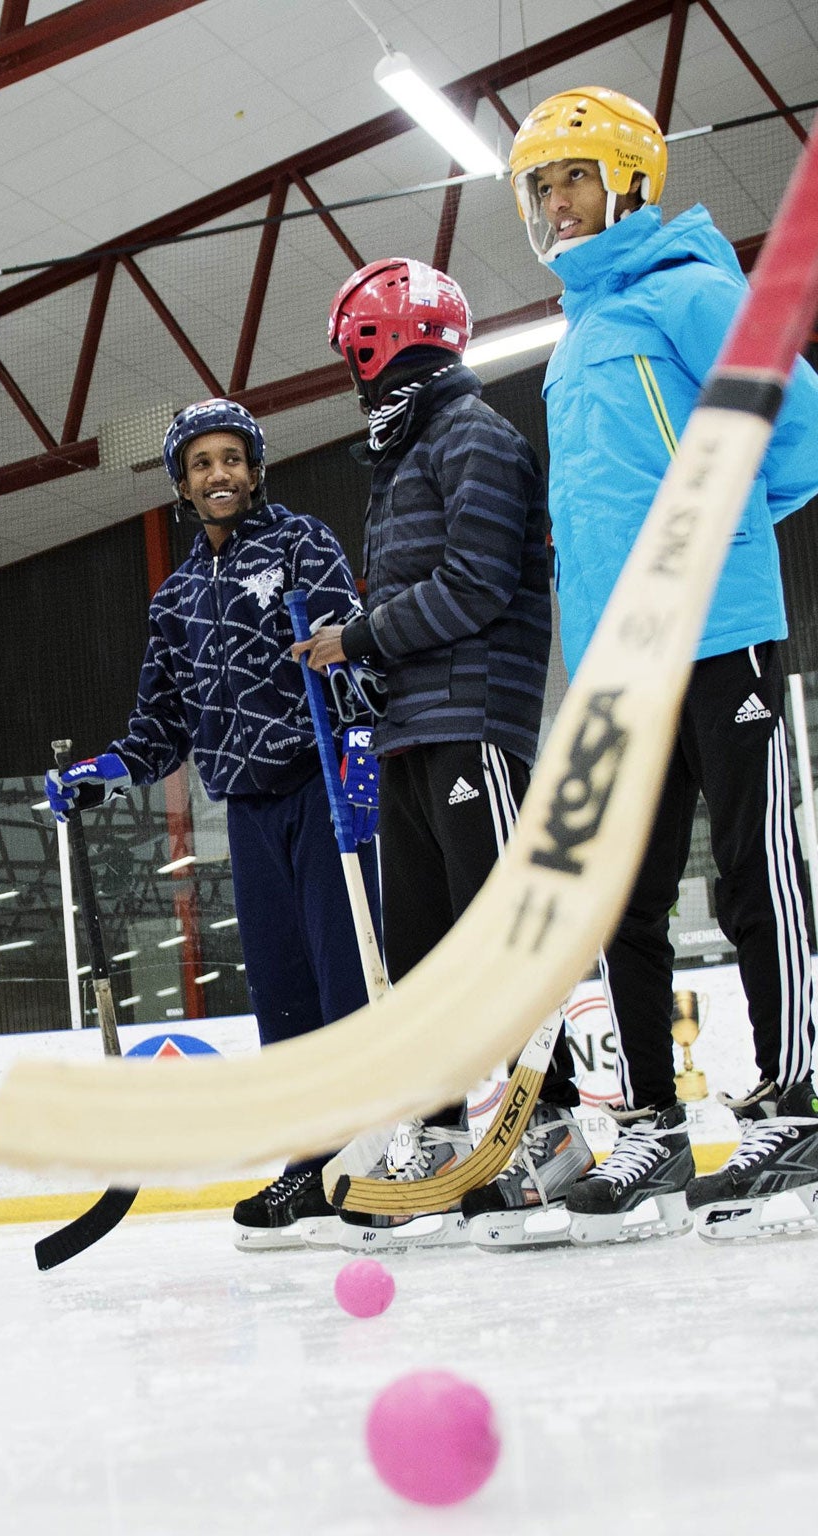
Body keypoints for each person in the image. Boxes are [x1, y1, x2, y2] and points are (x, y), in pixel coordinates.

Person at [506, 86, 818, 1244]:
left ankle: (796, 1100)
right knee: (621, 901)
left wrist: (718, 546)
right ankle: (650, 1121)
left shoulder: (692, 291)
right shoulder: (576, 331)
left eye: (571, 177)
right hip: (614, 661)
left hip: (717, 629)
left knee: (751, 869)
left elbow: (797, 437)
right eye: (540, 188)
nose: (554, 202)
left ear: (627, 179)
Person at [44, 398, 378, 1250]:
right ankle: (311, 1158)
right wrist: (101, 775)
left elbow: (353, 654)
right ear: (182, 485)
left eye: (233, 458)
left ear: (256, 469)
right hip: (249, 811)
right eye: (202, 464)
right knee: (283, 997)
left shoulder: (302, 543)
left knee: (351, 986)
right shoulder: (177, 597)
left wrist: (364, 750)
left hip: (323, 792)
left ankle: (372, 1153)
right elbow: (160, 728)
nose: (219, 473)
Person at [298, 258, 584, 1253]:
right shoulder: (404, 451)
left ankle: (548, 1130)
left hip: (474, 724)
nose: (350, 371)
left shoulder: (473, 437)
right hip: (412, 726)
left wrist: (360, 638)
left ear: (384, 339)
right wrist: (361, 668)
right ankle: (434, 1134)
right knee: (419, 952)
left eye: (353, 350)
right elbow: (418, 597)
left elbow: (472, 587)